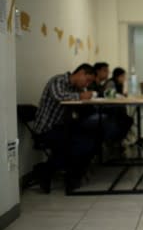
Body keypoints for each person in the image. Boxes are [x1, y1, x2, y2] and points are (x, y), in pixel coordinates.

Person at [33, 63, 97, 193]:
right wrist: (81, 96)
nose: (87, 85)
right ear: (81, 73)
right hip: (46, 129)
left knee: (91, 139)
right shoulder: (58, 80)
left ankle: (54, 172)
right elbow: (59, 96)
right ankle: (54, 173)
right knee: (78, 143)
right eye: (87, 80)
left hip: (62, 127)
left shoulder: (75, 88)